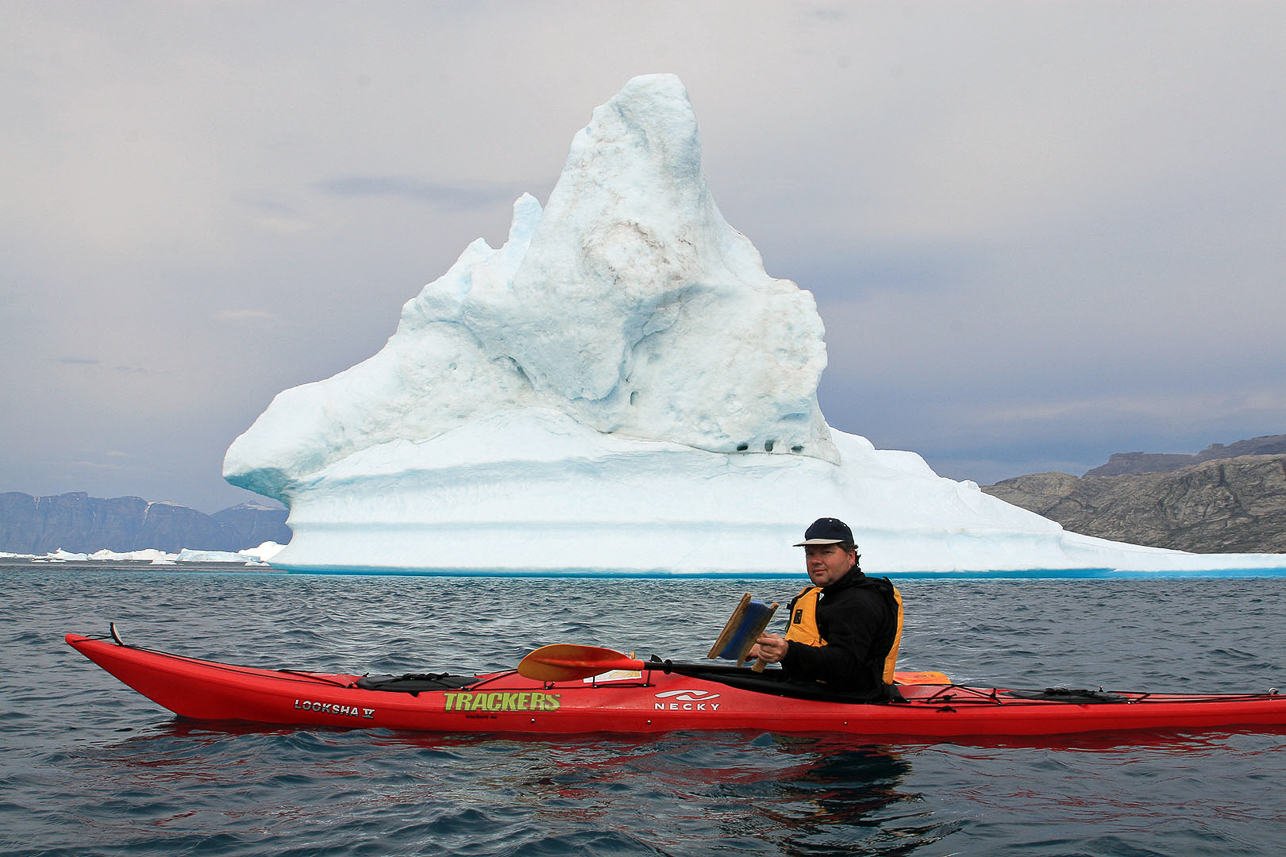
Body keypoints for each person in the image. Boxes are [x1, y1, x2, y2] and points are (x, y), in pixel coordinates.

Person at [752, 517, 903, 698]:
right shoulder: (834, 595)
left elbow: (846, 664)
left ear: (851, 556)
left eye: (826, 552)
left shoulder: (857, 603)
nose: (816, 561)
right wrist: (767, 650)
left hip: (853, 698)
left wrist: (788, 652)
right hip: (820, 687)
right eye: (810, 554)